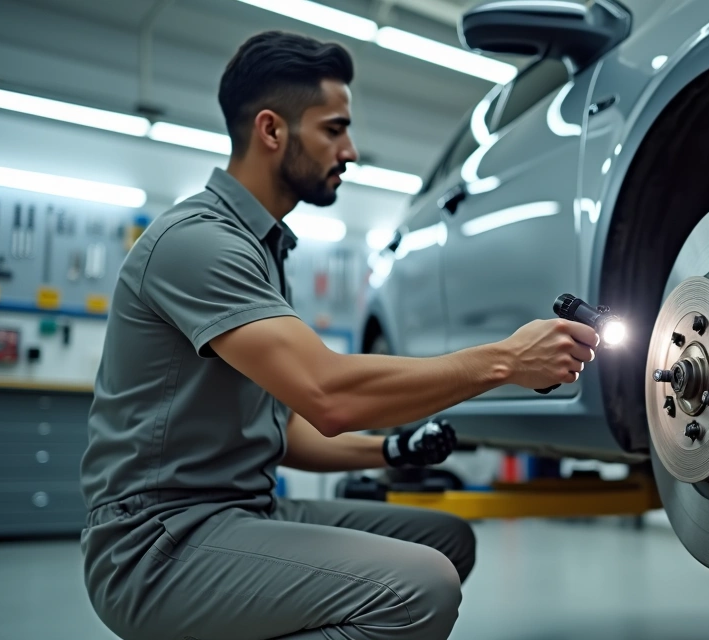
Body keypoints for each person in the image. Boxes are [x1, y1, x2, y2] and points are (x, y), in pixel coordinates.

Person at [78, 30, 599, 640]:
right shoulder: (199, 243)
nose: (350, 150)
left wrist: (391, 451)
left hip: (244, 510)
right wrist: (506, 360)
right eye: (333, 129)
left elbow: (285, 429)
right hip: (156, 543)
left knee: (446, 539)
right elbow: (329, 397)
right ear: (272, 131)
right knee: (420, 587)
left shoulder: (263, 251)